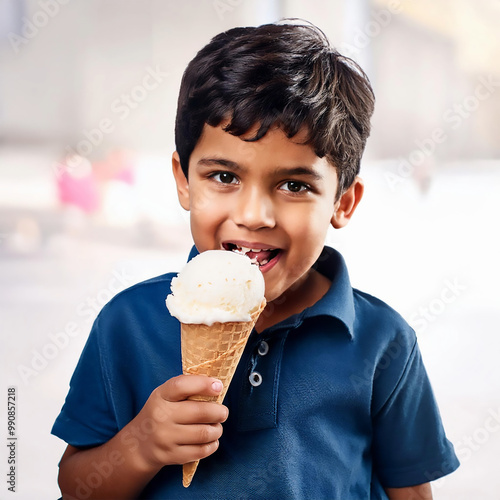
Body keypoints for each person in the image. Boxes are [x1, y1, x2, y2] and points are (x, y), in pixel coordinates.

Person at [52, 20, 459, 499]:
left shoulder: (383, 343)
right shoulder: (127, 324)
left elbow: (410, 491)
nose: (253, 215)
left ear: (343, 203)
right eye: (224, 176)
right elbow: (76, 487)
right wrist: (140, 445)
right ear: (184, 182)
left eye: (294, 185)